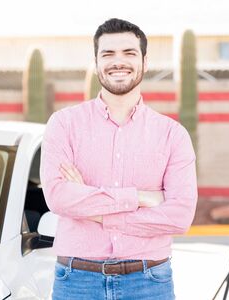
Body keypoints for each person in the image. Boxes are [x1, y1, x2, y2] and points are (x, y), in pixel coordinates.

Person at [40, 18, 197, 300]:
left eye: (129, 53)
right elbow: (58, 197)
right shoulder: (64, 124)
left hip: (149, 282)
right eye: (108, 54)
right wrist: (140, 197)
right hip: (77, 281)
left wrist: (95, 210)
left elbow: (180, 216)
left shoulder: (172, 135)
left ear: (145, 62)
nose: (118, 62)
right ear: (97, 62)